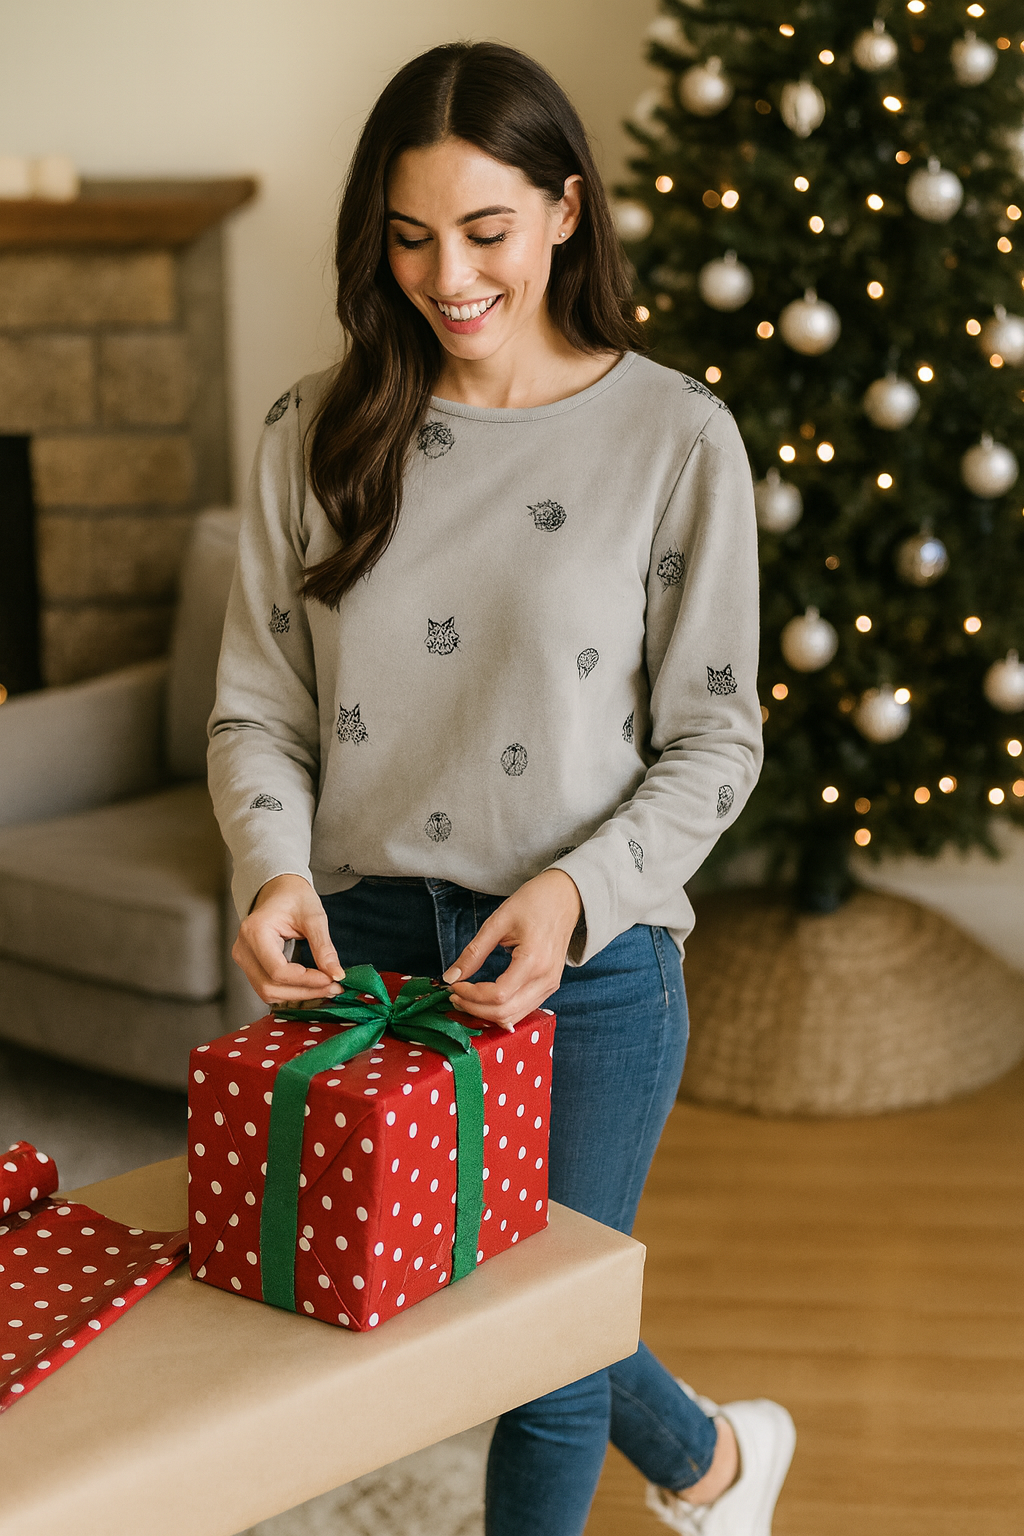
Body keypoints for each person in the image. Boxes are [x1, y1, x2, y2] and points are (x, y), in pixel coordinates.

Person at [209, 39, 794, 1536]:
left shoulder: (677, 439)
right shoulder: (312, 434)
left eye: (484, 233)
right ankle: (714, 1465)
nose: (446, 276)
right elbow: (261, 710)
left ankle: (705, 1465)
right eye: (408, 237)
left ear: (565, 214)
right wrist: (274, 869)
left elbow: (716, 738)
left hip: (586, 962)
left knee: (539, 1362)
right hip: (366, 952)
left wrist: (573, 893)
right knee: (458, 1302)